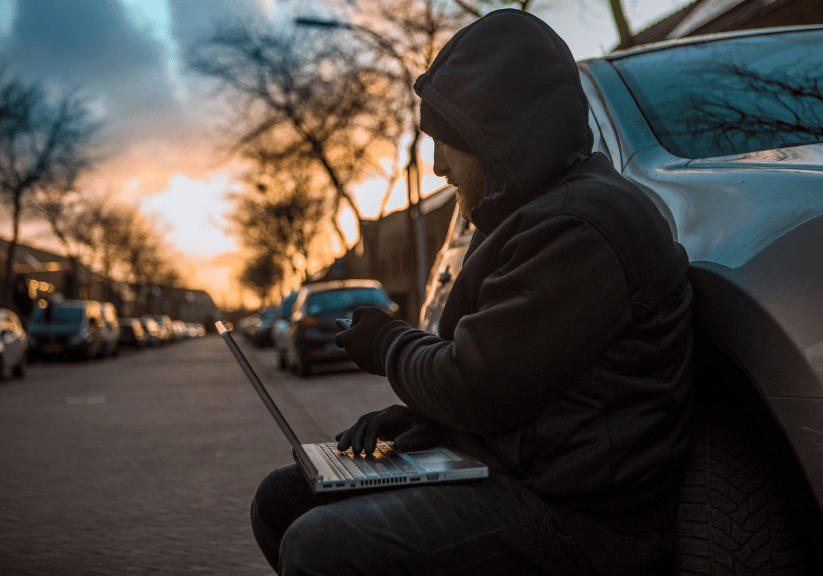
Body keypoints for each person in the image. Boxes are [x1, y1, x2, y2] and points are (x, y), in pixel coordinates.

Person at [250, 9, 693, 575]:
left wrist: (390, 345)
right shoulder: (546, 215)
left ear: (499, 137)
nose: (437, 167)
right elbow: (525, 385)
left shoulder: (582, 226)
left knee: (320, 546)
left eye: (448, 143)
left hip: (587, 522)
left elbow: (477, 385)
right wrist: (429, 425)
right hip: (518, 474)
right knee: (282, 498)